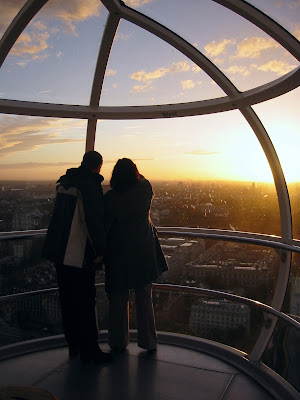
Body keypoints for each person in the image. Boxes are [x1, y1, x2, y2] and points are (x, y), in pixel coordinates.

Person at [43, 151, 112, 364]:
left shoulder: (65, 183)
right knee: (85, 302)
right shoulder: (89, 186)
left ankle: (73, 345)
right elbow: (93, 222)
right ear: (99, 166)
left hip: (60, 253)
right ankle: (90, 351)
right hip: (79, 254)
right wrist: (101, 251)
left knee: (68, 301)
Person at [104, 158, 168, 353]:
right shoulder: (145, 189)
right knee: (144, 298)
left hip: (118, 252)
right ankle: (148, 341)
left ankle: (118, 341)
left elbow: (105, 225)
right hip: (143, 250)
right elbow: (144, 180)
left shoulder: (110, 198)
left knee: (118, 299)